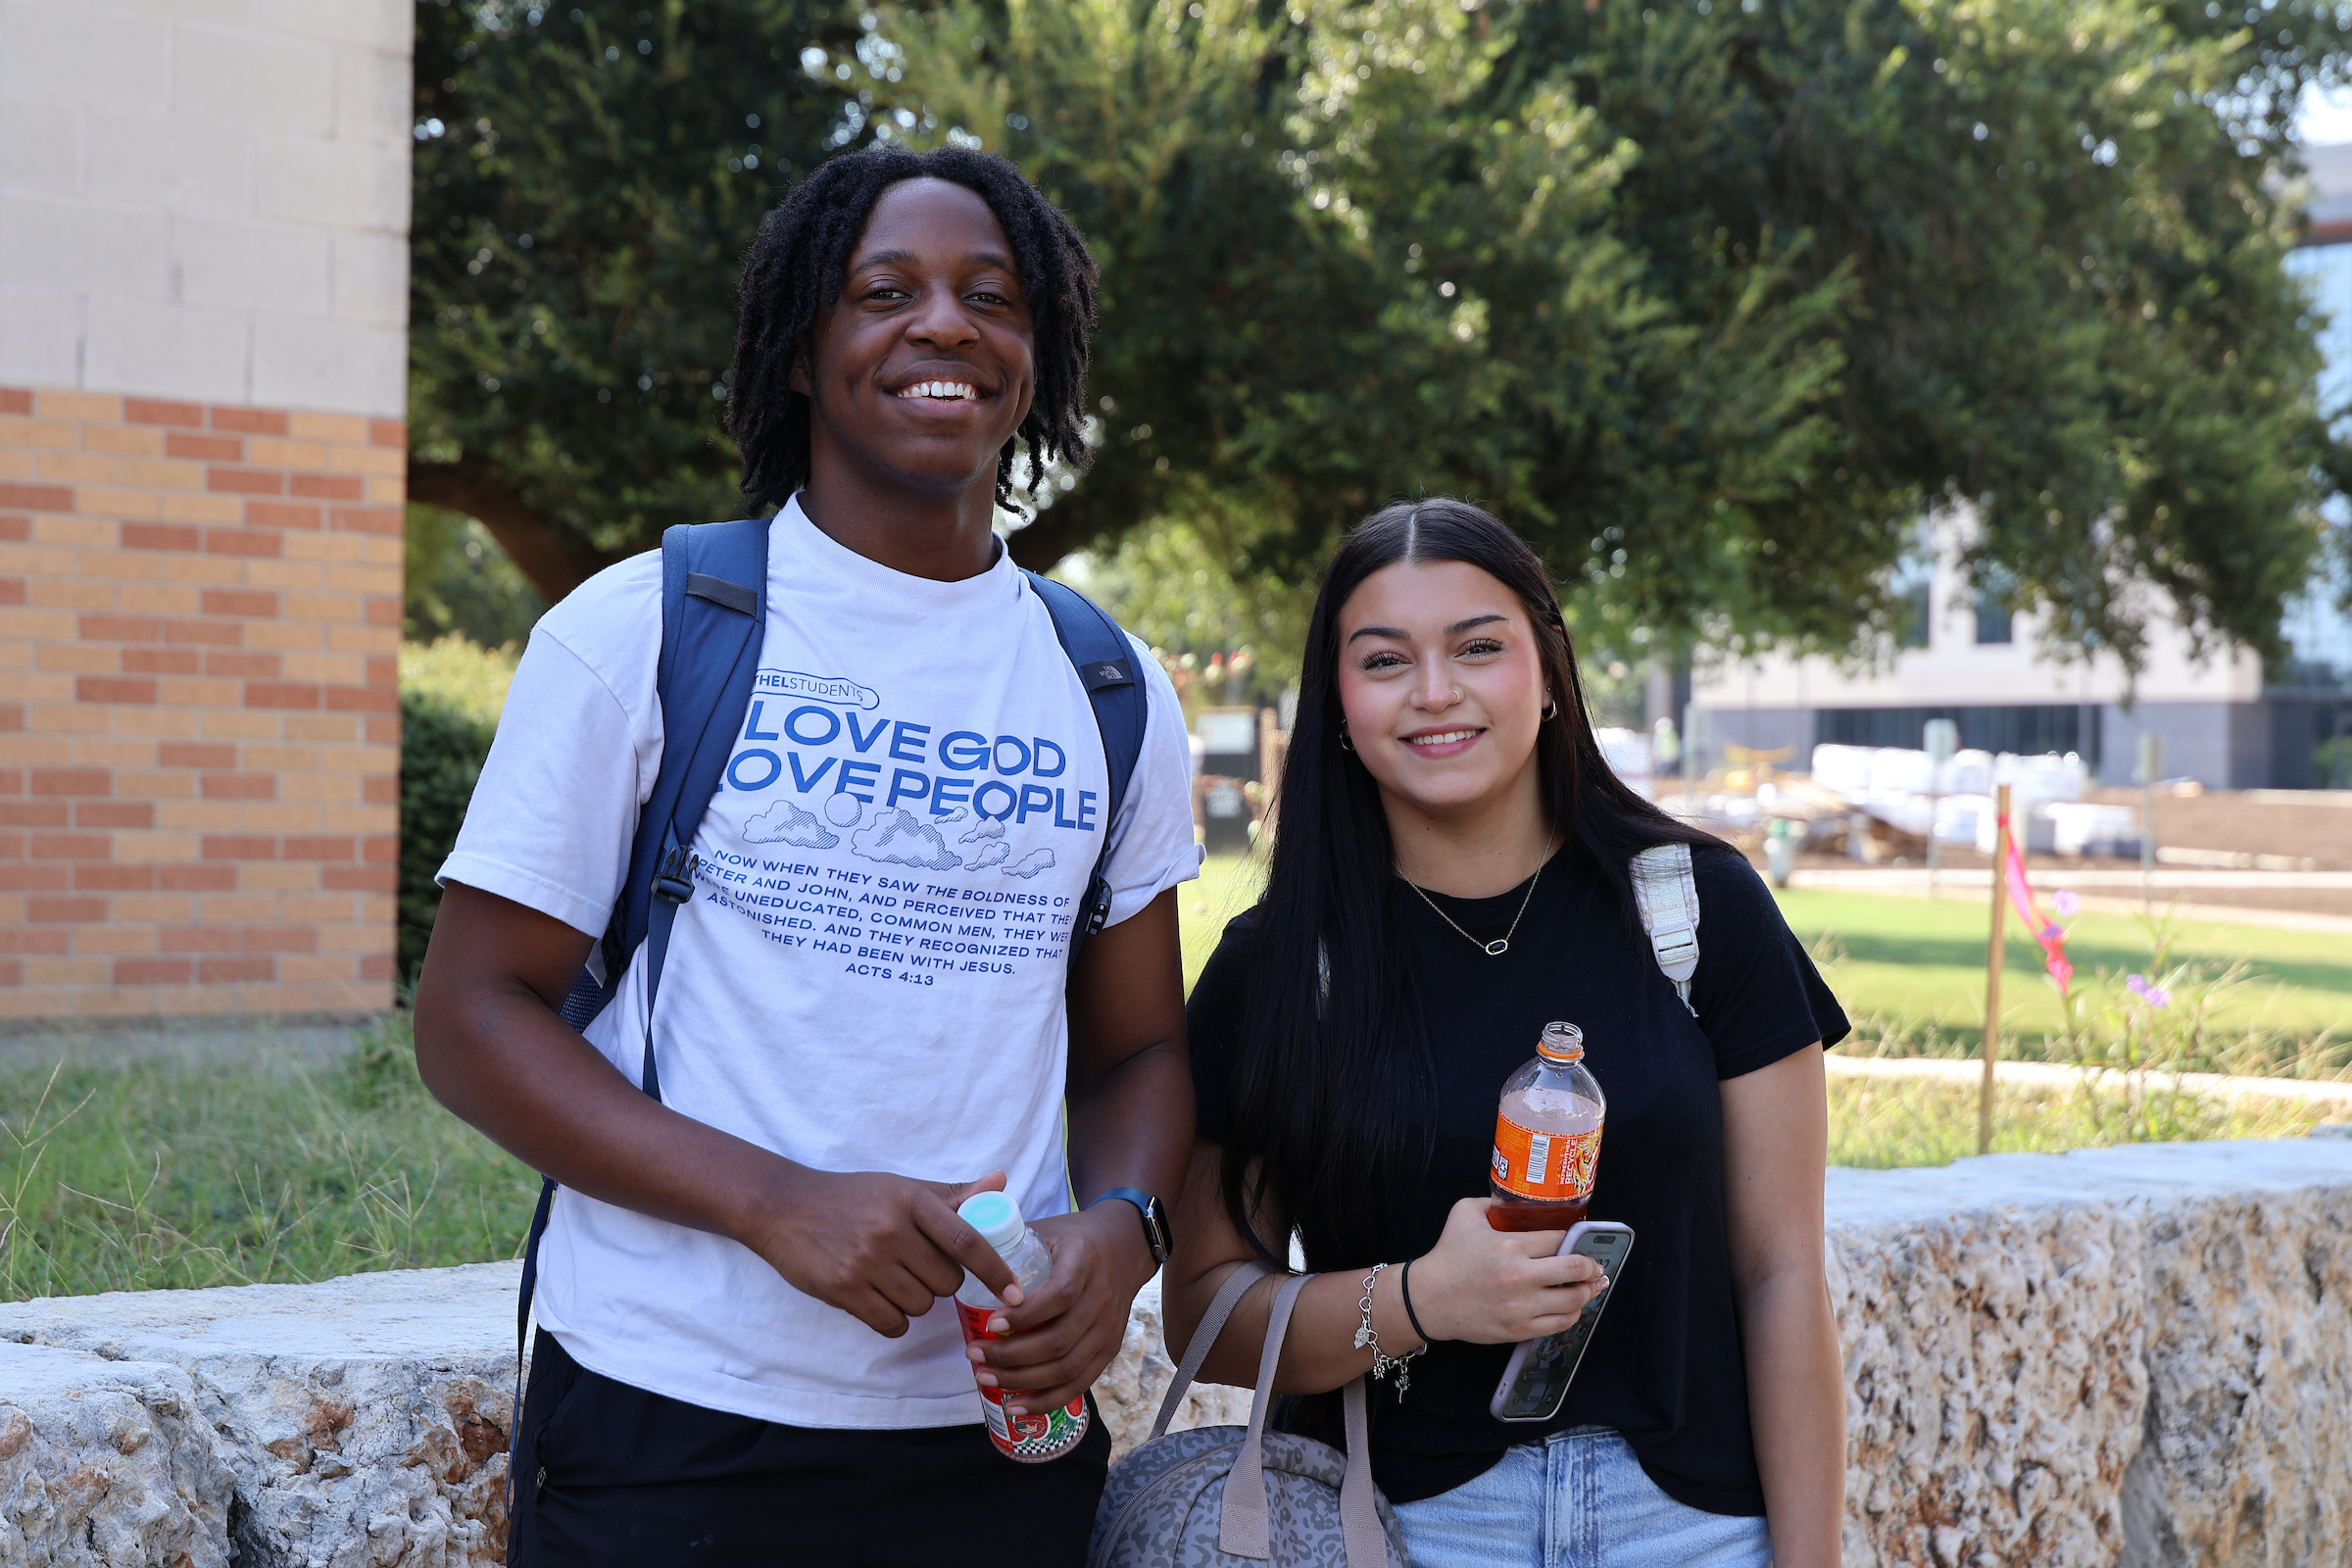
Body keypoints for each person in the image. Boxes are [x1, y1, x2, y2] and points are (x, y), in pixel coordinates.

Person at [414, 147, 1200, 1567]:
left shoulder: (1107, 683)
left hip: (994, 1441)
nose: (945, 324)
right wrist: (771, 1202)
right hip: (673, 1421)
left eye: (992, 296)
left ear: (1038, 354)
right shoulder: (643, 630)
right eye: (882, 291)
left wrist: (1125, 1230)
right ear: (801, 350)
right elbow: (472, 1019)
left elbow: (1140, 1052)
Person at [1165, 499, 1849, 1568]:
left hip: (1695, 1530)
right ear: (1338, 704)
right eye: (1385, 659)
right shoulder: (1280, 967)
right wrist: (1416, 1299)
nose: (1436, 692)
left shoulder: (1698, 910)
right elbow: (1204, 1309)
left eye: (1478, 647)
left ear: (1547, 669)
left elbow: (1783, 1274)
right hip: (1398, 1528)